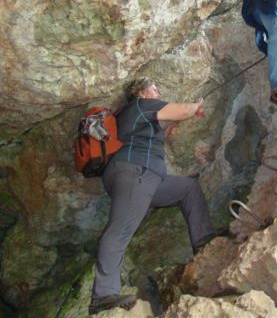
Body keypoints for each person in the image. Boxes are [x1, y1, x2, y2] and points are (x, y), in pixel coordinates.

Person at [89, 77, 215, 315]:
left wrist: (169, 128)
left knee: (188, 188)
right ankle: (103, 295)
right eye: (155, 90)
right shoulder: (140, 105)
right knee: (120, 229)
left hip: (147, 177)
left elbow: (147, 136)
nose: (158, 94)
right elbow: (181, 109)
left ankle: (204, 241)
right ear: (142, 93)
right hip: (135, 172)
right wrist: (194, 106)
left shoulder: (137, 116)